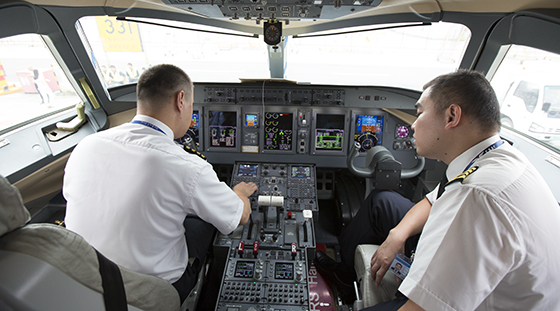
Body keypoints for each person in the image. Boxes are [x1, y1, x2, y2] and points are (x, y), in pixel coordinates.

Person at [314, 70, 560, 310]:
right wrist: (397, 234)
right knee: (383, 201)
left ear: (452, 116)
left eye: (419, 113)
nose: (412, 125)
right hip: (491, 267)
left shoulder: (477, 197)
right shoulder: (496, 155)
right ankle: (345, 277)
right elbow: (434, 201)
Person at [63, 64, 258, 303]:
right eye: (191, 105)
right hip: (149, 292)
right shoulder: (186, 166)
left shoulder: (87, 145)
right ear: (181, 100)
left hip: (81, 278)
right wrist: (239, 192)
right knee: (207, 222)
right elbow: (240, 216)